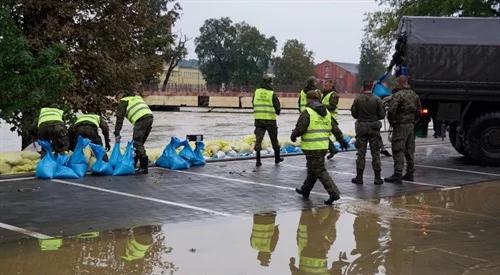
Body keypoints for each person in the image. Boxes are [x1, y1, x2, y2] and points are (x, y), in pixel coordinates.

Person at [291, 90, 341, 205]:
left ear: (309, 99)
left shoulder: (307, 112)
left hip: (311, 146)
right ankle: (305, 190)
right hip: (323, 146)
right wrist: (341, 140)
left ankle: (333, 193)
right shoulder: (327, 112)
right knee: (312, 169)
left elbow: (300, 129)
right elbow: (335, 128)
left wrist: (293, 135)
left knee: (320, 170)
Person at [385, 75, 421, 184]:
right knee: (410, 150)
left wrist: (392, 121)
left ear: (400, 82)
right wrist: (414, 121)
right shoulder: (414, 95)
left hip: (400, 125)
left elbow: (391, 111)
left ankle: (398, 174)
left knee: (398, 149)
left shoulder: (398, 95)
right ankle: (410, 173)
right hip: (410, 125)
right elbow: (419, 110)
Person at [351, 80, 385, 185]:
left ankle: (359, 178)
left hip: (361, 128)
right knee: (376, 154)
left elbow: (354, 114)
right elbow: (382, 115)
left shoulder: (357, 99)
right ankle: (377, 178)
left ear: (363, 87)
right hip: (374, 129)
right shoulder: (377, 99)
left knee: (361, 154)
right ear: (372, 88)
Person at [289, 207, 341, 274]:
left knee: (316, 234)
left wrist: (292, 265)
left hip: (317, 258)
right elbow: (296, 272)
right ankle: (333, 214)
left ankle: (333, 214)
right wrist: (292, 265)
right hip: (309, 256)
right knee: (315, 234)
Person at [114, 93, 154, 174]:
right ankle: (135, 163)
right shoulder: (136, 98)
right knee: (140, 143)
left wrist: (117, 132)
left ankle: (143, 167)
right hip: (150, 117)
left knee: (137, 143)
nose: (118, 102)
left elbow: (119, 119)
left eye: (117, 99)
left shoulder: (123, 101)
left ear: (120, 97)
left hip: (141, 119)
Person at [252, 76, 283, 167]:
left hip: (259, 120)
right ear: (270, 83)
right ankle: (277, 159)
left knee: (258, 140)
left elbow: (253, 103)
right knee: (274, 139)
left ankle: (258, 161)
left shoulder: (256, 92)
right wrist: (277, 112)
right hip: (270, 121)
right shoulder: (272, 93)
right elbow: (277, 108)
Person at [321, 79, 349, 159]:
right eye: (324, 85)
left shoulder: (333, 94)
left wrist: (321, 106)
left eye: (326, 86)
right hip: (325, 117)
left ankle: (341, 145)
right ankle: (333, 149)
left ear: (331, 86)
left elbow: (332, 107)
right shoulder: (325, 94)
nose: (324, 87)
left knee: (335, 133)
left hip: (331, 117)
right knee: (324, 134)